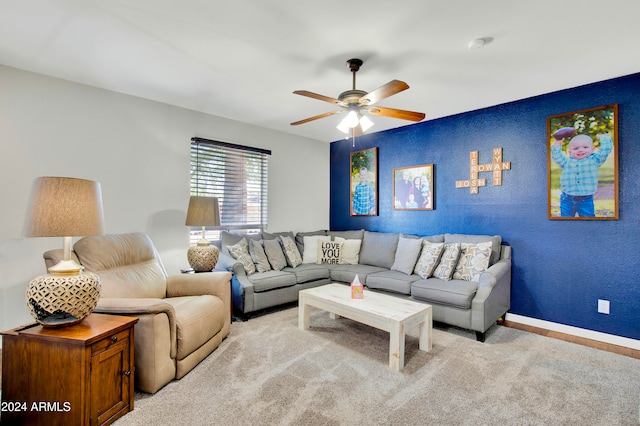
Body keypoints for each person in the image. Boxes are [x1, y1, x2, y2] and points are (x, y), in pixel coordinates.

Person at [551, 132, 613, 217]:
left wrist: (604, 138)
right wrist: (557, 143)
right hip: (567, 198)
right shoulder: (567, 162)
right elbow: (557, 156)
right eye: (576, 148)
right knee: (566, 220)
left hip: (585, 199)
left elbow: (605, 150)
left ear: (592, 149)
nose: (580, 150)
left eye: (585, 147)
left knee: (588, 220)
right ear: (570, 152)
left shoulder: (594, 160)